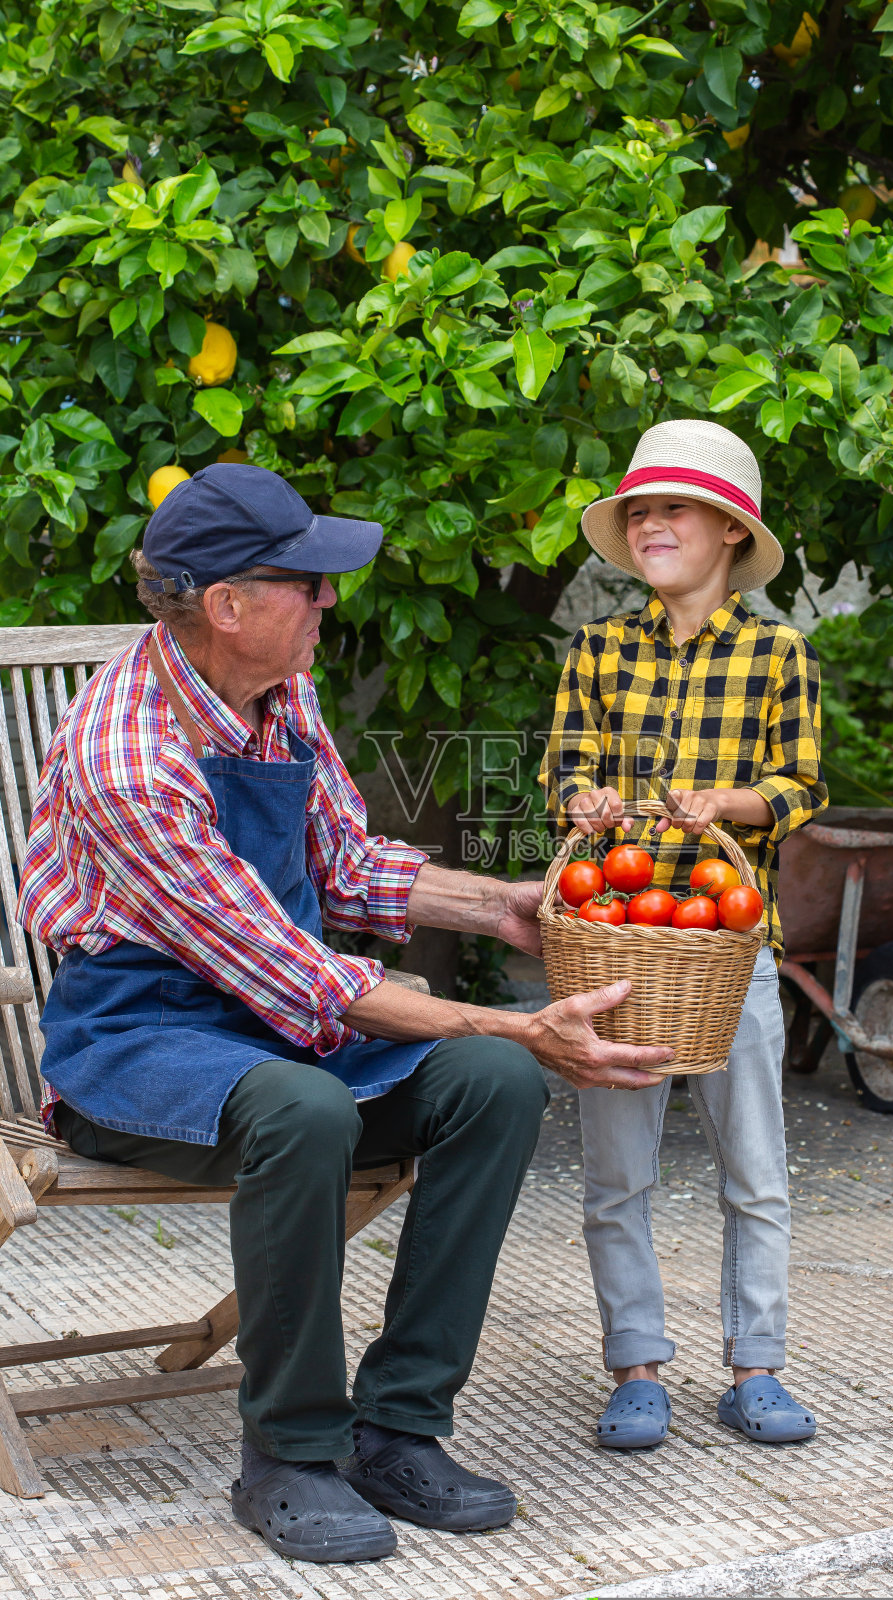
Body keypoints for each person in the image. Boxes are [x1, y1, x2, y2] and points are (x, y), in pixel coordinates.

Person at [17, 463, 671, 1565]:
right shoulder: (126, 753)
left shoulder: (282, 696)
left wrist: (503, 905)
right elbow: (294, 973)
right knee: (316, 1106)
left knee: (493, 1087)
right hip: (135, 1043)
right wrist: (518, 1021)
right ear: (228, 604)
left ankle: (398, 1426)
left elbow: (349, 867)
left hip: (272, 1029)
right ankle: (289, 1455)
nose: (330, 600)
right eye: (308, 582)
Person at [539, 419, 828, 1451]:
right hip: (615, 944)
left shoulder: (773, 653)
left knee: (753, 1170)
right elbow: (564, 768)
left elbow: (799, 787)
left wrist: (726, 804)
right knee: (616, 1172)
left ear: (726, 531)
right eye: (638, 511)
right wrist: (589, 804)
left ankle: (755, 1366)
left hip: (728, 947)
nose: (650, 522)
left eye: (671, 507)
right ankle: (637, 1365)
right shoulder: (601, 650)